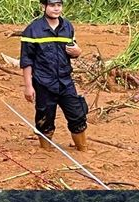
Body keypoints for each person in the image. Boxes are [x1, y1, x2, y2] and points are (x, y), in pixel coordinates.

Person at [20, 0, 88, 151]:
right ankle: (46, 152)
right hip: (43, 82)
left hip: (65, 81)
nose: (56, 9)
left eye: (59, 5)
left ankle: (83, 150)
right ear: (43, 7)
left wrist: (78, 52)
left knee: (77, 114)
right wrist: (28, 86)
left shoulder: (68, 26)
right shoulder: (32, 30)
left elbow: (73, 49)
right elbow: (26, 60)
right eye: (52, 5)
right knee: (44, 118)